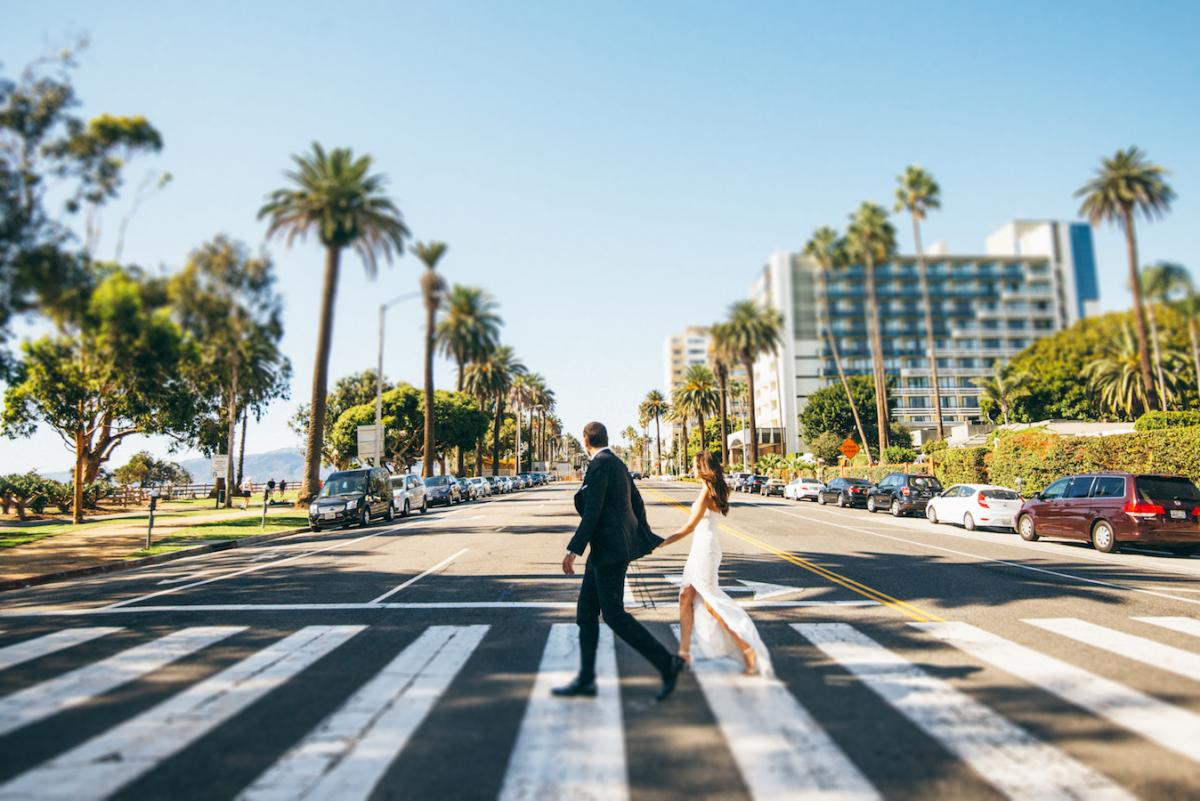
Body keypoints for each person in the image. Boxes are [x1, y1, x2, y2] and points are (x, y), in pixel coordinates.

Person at [555, 421, 685, 702]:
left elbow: (593, 511)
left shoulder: (601, 464)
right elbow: (637, 502)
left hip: (609, 552)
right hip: (607, 550)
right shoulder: (618, 463)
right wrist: (641, 535)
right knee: (585, 614)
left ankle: (667, 663)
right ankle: (587, 679)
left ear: (585, 442)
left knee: (613, 615)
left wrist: (573, 550)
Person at [657, 451, 773, 677]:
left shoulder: (705, 494)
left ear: (702, 468)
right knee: (685, 598)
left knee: (711, 603)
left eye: (694, 465)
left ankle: (746, 649)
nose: (691, 469)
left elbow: (689, 527)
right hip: (701, 549)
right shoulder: (710, 490)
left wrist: (661, 543)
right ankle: (684, 653)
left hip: (705, 551)